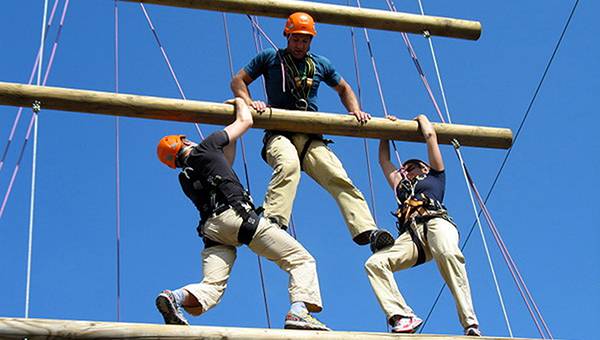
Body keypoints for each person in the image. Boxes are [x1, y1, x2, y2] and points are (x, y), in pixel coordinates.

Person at [154, 98, 329, 331]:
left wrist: (231, 125)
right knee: (301, 259)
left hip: (213, 232)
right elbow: (245, 121)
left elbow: (226, 161)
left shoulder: (185, 178)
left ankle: (174, 297)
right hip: (237, 218)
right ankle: (299, 312)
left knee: (212, 287)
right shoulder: (207, 147)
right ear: (184, 140)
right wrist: (240, 102)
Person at [230, 12, 393, 252]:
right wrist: (251, 102)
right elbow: (238, 81)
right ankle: (273, 222)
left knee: (337, 175)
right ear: (287, 36)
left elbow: (343, 87)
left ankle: (367, 229)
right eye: (296, 39)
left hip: (310, 137)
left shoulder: (319, 64)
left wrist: (355, 110)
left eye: (305, 40)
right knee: (288, 166)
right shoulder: (270, 57)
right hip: (279, 133)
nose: (300, 45)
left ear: (311, 41)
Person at [365, 114, 481, 336]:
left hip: (436, 222)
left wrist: (419, 117)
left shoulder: (435, 176)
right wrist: (385, 131)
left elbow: (429, 134)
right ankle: (402, 315)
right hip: (412, 235)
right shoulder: (402, 187)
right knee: (375, 263)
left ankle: (470, 322)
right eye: (404, 169)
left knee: (448, 255)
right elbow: (383, 161)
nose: (405, 171)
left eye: (411, 168)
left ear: (424, 168)